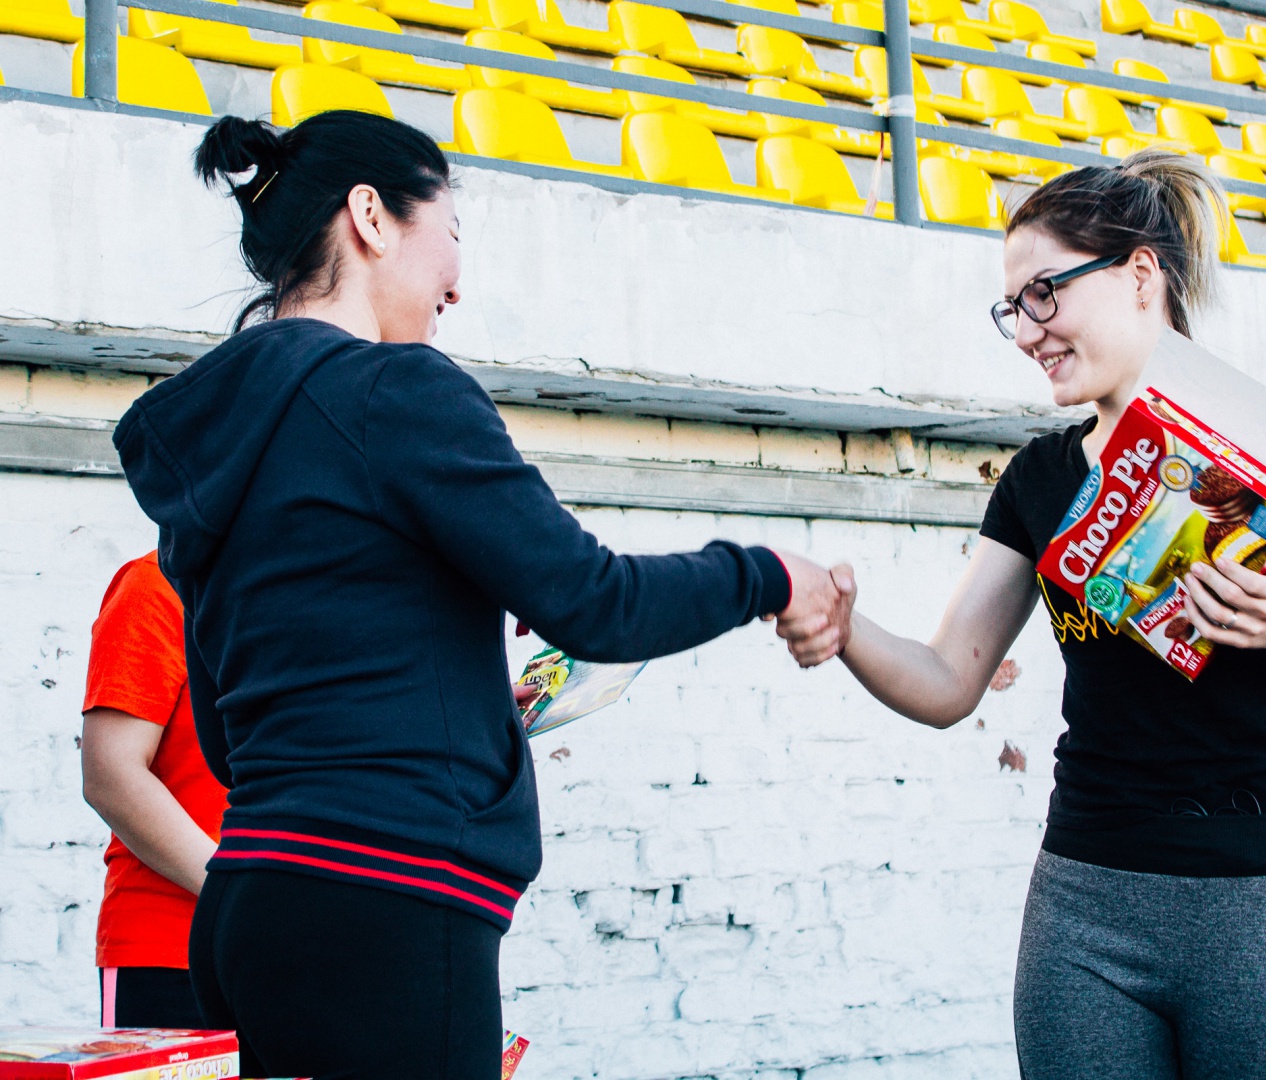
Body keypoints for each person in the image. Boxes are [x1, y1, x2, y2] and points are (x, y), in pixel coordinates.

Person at [113, 110, 852, 1079]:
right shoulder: (395, 389)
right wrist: (767, 573)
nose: (458, 281)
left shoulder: (208, 446)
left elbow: (227, 735)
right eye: (450, 232)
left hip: (250, 900)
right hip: (390, 904)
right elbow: (594, 601)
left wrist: (444, 691)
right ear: (370, 217)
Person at [825, 151, 1266, 1079]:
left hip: (1264, 898)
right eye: (1012, 308)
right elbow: (947, 681)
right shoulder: (1038, 481)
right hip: (1087, 900)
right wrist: (844, 627)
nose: (1027, 331)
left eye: (1044, 294)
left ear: (1141, 274)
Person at [81, 550, 229, 1029]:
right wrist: (239, 896)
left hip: (293, 944)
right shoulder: (157, 584)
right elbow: (111, 774)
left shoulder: (314, 593)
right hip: (169, 951)